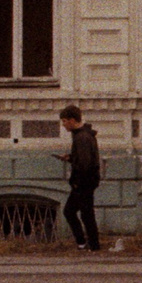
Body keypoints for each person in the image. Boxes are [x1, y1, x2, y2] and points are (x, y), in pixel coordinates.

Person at [53, 106, 102, 251]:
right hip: (88, 181)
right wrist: (70, 158)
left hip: (83, 183)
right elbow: (83, 159)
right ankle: (92, 245)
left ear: (72, 120)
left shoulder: (81, 137)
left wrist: (76, 183)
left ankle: (84, 243)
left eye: (64, 121)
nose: (63, 125)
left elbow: (84, 164)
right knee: (86, 214)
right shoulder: (85, 135)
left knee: (71, 211)